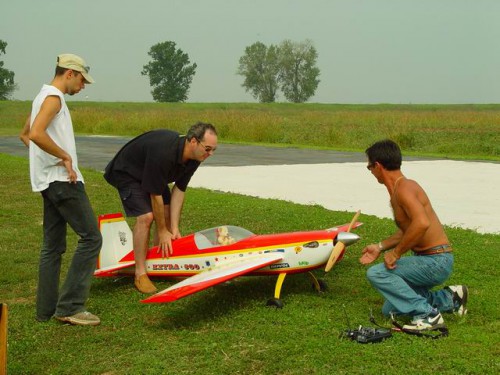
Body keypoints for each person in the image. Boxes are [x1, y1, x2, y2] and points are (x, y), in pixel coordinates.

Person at [19, 54, 102, 326]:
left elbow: (25, 133)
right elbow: (36, 134)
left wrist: (44, 160)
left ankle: (45, 311)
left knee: (52, 247)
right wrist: (63, 157)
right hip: (62, 182)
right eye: (81, 79)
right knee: (91, 238)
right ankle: (70, 306)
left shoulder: (41, 96)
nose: (83, 85)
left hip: (47, 181)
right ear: (69, 73)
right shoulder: (54, 98)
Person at [359, 139, 468, 331]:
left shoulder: (405, 188)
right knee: (391, 309)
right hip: (431, 259)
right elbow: (409, 229)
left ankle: (428, 316)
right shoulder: (399, 190)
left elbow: (422, 223)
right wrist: (380, 247)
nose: (370, 172)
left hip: (436, 261)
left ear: (377, 165)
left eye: (369, 167)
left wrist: (396, 253)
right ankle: (451, 298)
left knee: (377, 273)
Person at [103, 122, 218, 293]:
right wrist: (163, 230)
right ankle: (140, 274)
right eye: (208, 149)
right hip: (127, 172)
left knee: (167, 215)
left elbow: (179, 190)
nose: (210, 154)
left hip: (149, 173)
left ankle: (162, 264)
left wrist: (174, 227)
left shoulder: (195, 157)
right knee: (146, 217)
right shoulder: (164, 154)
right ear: (193, 141)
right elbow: (155, 195)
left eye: (213, 150)